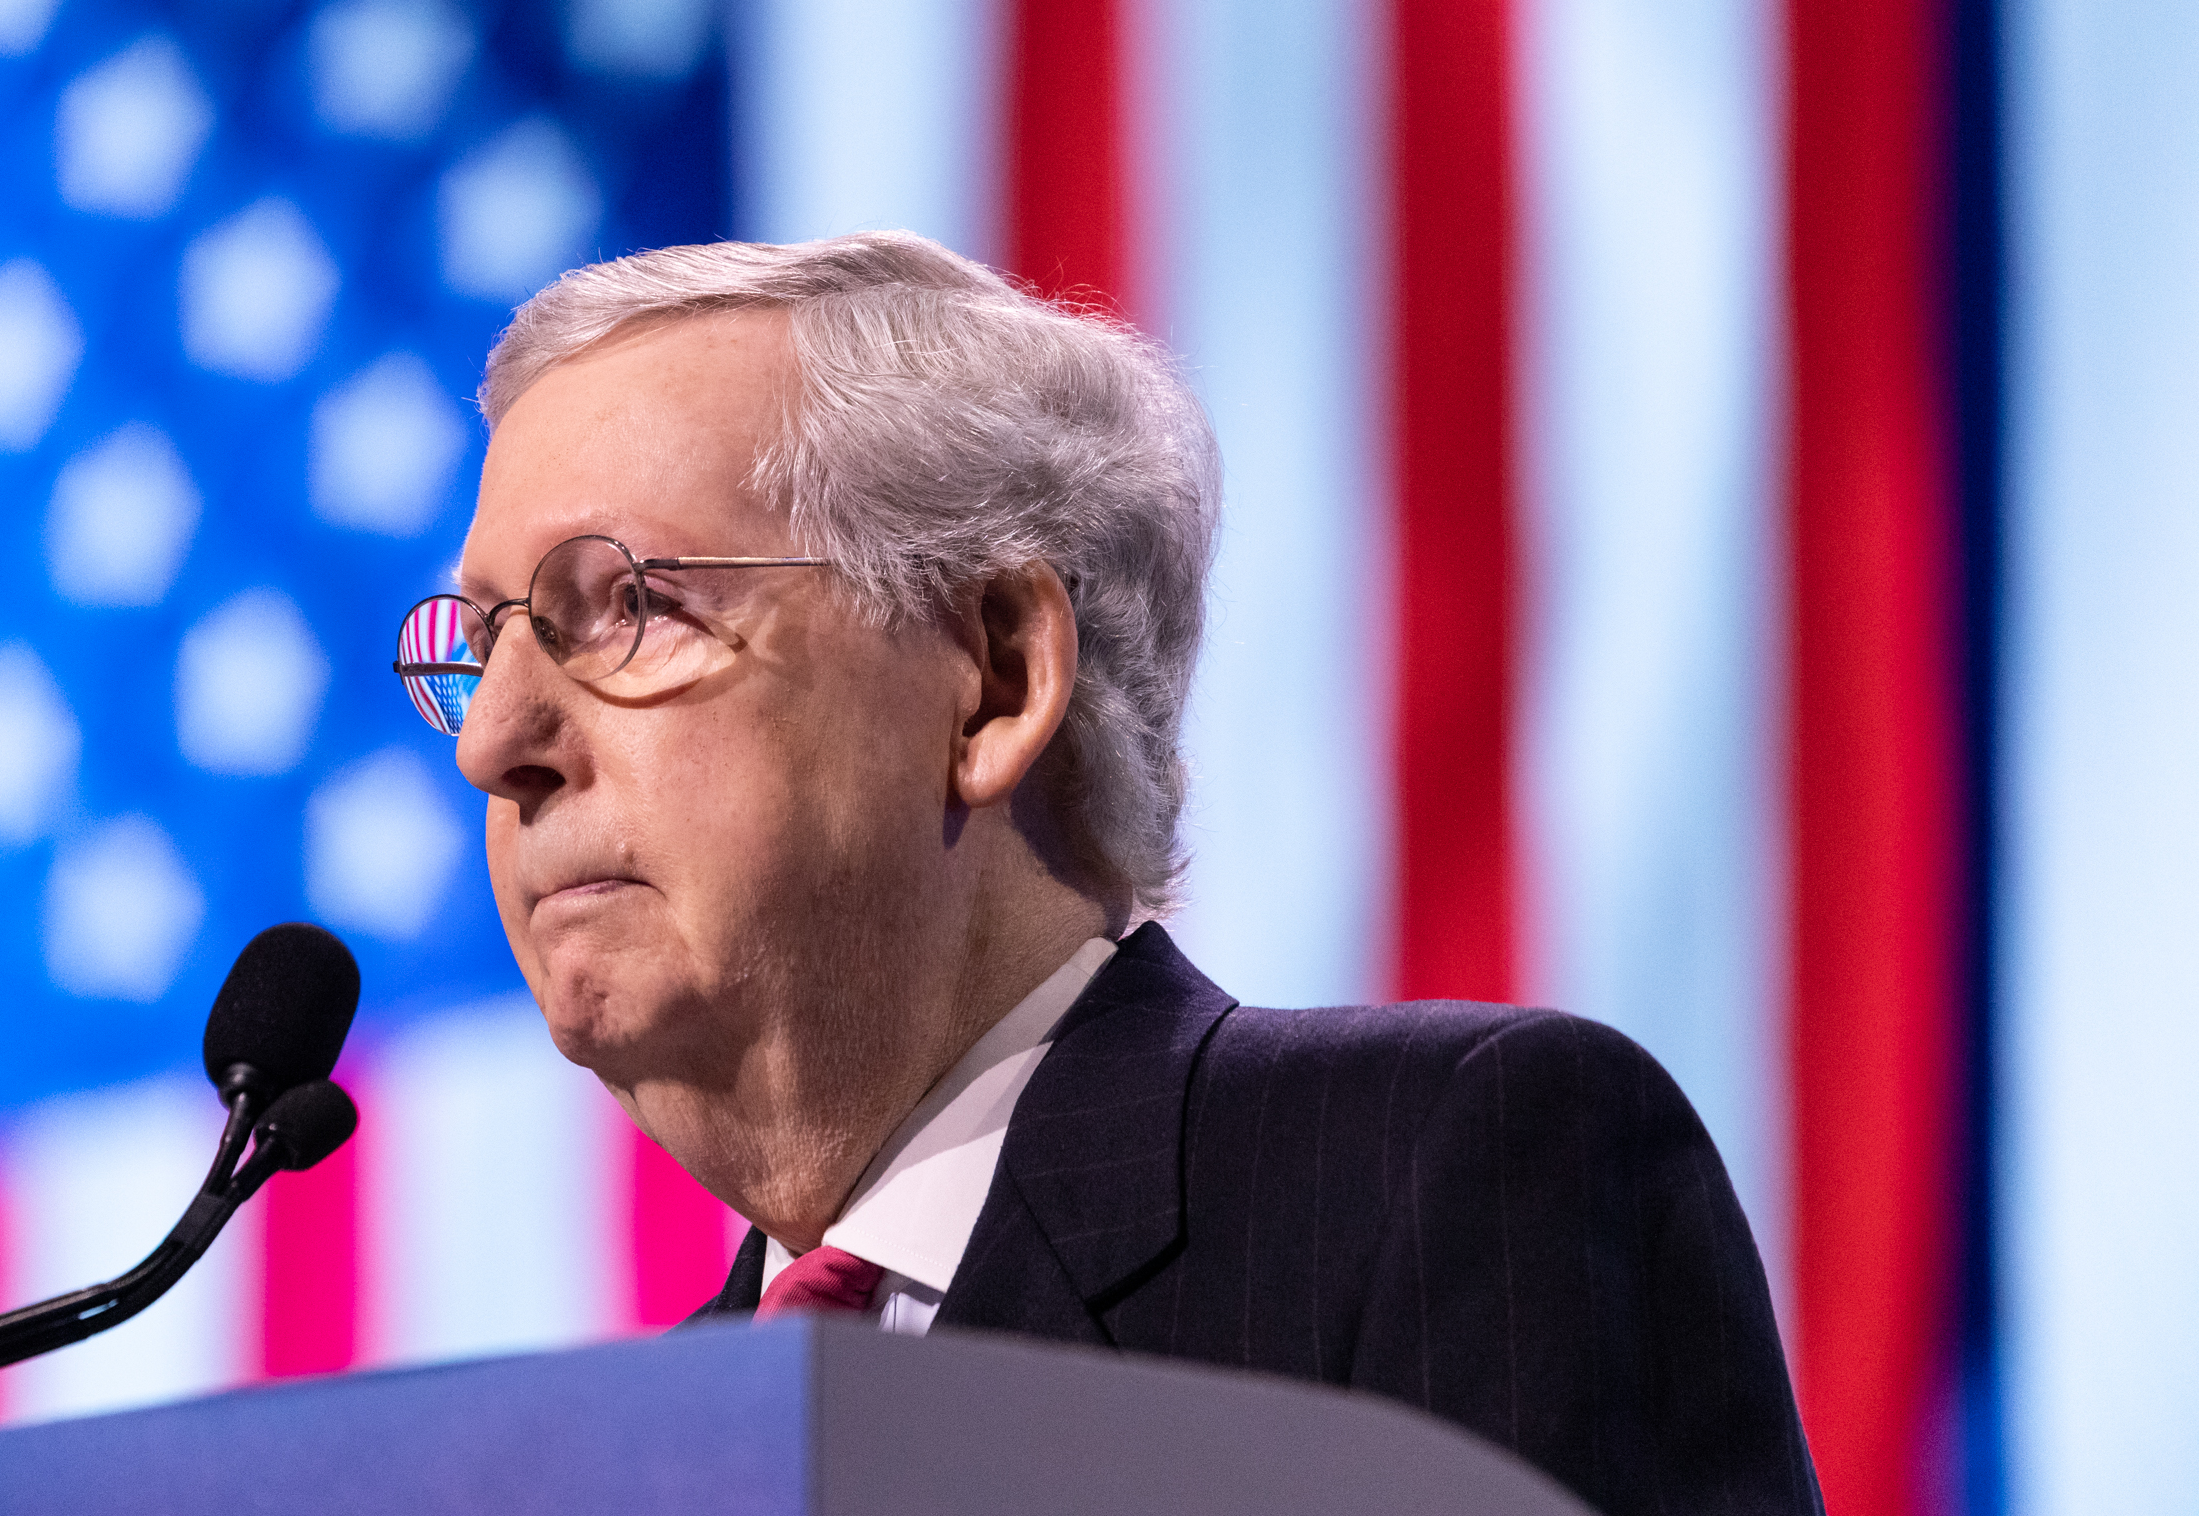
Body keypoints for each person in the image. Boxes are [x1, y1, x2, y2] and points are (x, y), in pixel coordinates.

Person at [390, 232, 1822, 1516]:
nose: (496, 743)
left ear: (996, 678)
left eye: (625, 604)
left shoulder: (1437, 1171)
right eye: (480, 643)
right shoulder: (635, 1457)